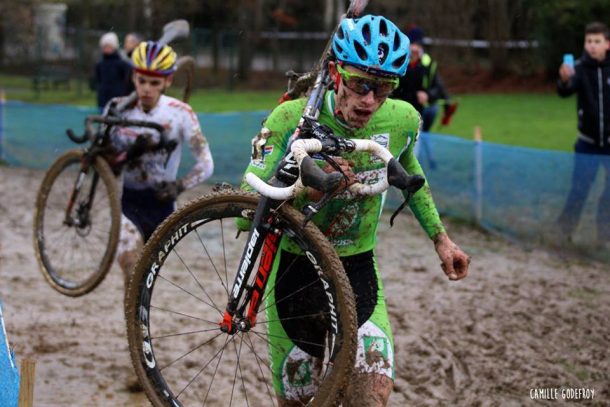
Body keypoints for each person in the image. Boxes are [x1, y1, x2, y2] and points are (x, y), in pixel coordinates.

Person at [239, 15, 469, 406]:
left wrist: (441, 240)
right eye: (360, 84)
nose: (369, 100)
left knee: (370, 398)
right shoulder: (290, 118)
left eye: (383, 88)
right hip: (294, 276)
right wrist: (305, 188)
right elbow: (248, 202)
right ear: (334, 72)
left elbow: (411, 172)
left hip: (358, 270)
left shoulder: (402, 120)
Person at [107, 40, 214, 282]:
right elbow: (106, 164)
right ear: (134, 76)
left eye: (154, 83)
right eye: (141, 81)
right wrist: (128, 154)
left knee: (143, 282)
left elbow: (206, 164)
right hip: (128, 203)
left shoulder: (181, 113)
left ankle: (135, 319)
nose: (146, 89)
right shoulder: (118, 109)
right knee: (130, 266)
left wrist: (179, 186)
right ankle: (130, 318)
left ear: (168, 81)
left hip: (163, 206)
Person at [557, 21, 610, 243]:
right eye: (589, 41)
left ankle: (604, 235)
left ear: (607, 44)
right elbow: (565, 91)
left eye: (597, 41)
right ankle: (563, 233)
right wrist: (564, 80)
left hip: (609, 144)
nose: (592, 46)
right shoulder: (577, 68)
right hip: (586, 143)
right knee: (578, 190)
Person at [391, 25, 456, 133]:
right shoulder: (397, 62)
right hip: (400, 108)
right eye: (412, 44)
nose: (415, 49)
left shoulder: (428, 63)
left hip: (420, 110)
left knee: (433, 109)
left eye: (418, 45)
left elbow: (438, 88)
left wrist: (428, 95)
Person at [94, 32, 132, 111]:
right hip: (103, 98)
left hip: (118, 98)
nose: (106, 48)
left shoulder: (122, 64)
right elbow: (98, 79)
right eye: (104, 46)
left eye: (108, 46)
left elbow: (127, 81)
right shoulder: (100, 64)